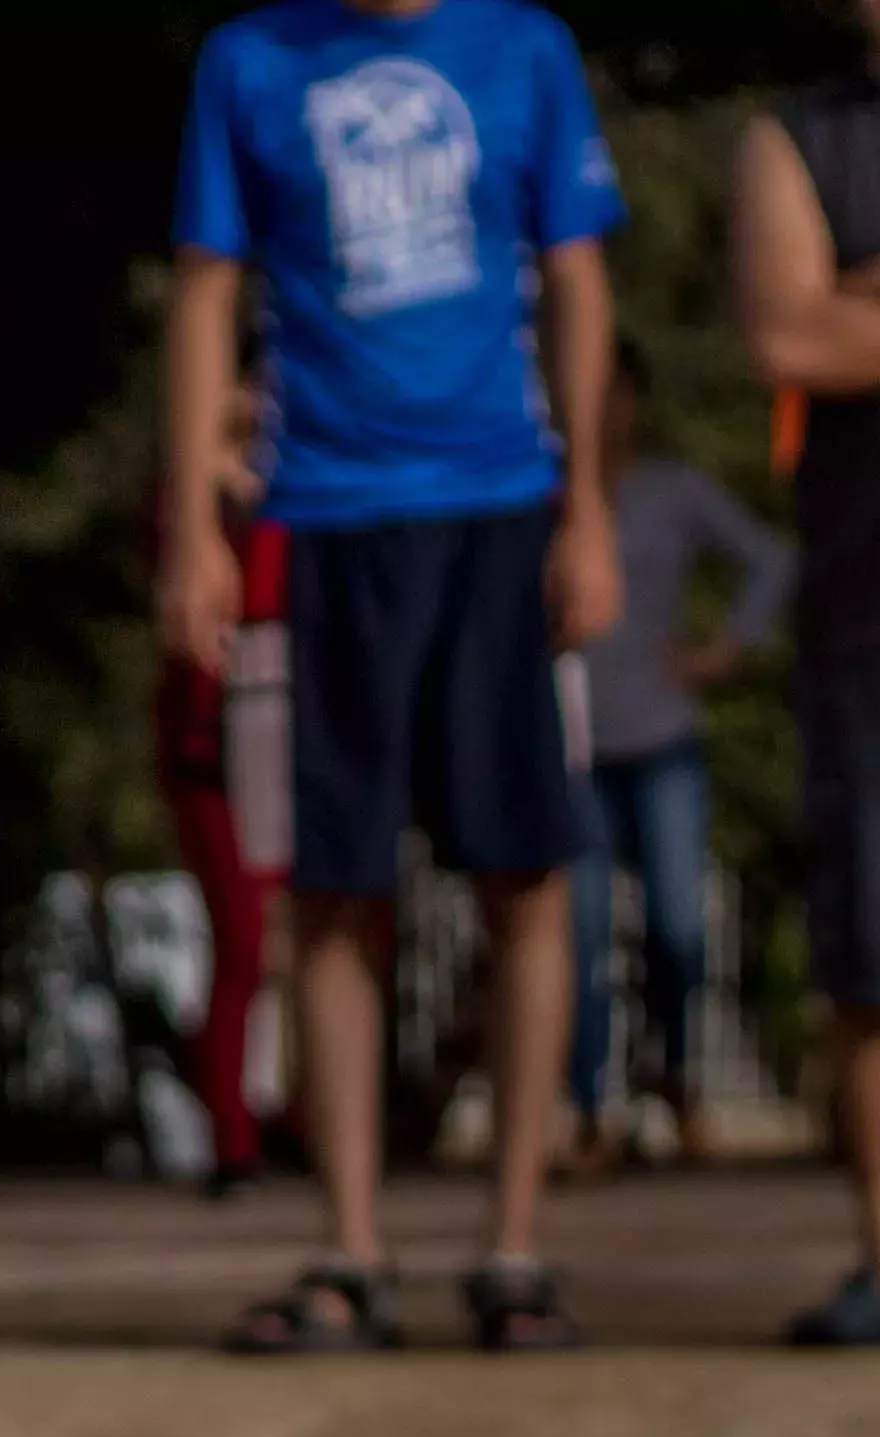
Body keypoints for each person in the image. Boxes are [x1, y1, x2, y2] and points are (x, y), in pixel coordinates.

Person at [164, 0, 627, 1352]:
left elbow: (581, 279)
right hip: (326, 518)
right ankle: (352, 1250)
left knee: (526, 878)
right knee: (333, 892)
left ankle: (515, 1247)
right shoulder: (249, 59)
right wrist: (196, 528)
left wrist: (588, 508)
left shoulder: (527, 46)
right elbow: (206, 293)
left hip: (501, 505)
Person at [733, 29, 880, 1342]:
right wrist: (829, 315)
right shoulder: (802, 138)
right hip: (864, 593)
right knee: (872, 943)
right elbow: (793, 332)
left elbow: (840, 322)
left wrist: (863, 299)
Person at [567, 339, 795, 1160]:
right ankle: (590, 1107)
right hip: (576, 748)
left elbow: (770, 560)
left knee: (678, 924)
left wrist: (723, 650)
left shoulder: (673, 491)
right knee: (578, 934)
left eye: (614, 393)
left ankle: (675, 1070)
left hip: (664, 736)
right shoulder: (545, 497)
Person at [153, 415, 293, 1183]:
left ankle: (301, 1117)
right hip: (209, 742)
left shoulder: (306, 472)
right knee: (240, 940)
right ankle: (231, 1134)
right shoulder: (188, 497)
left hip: (291, 724)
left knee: (308, 935)